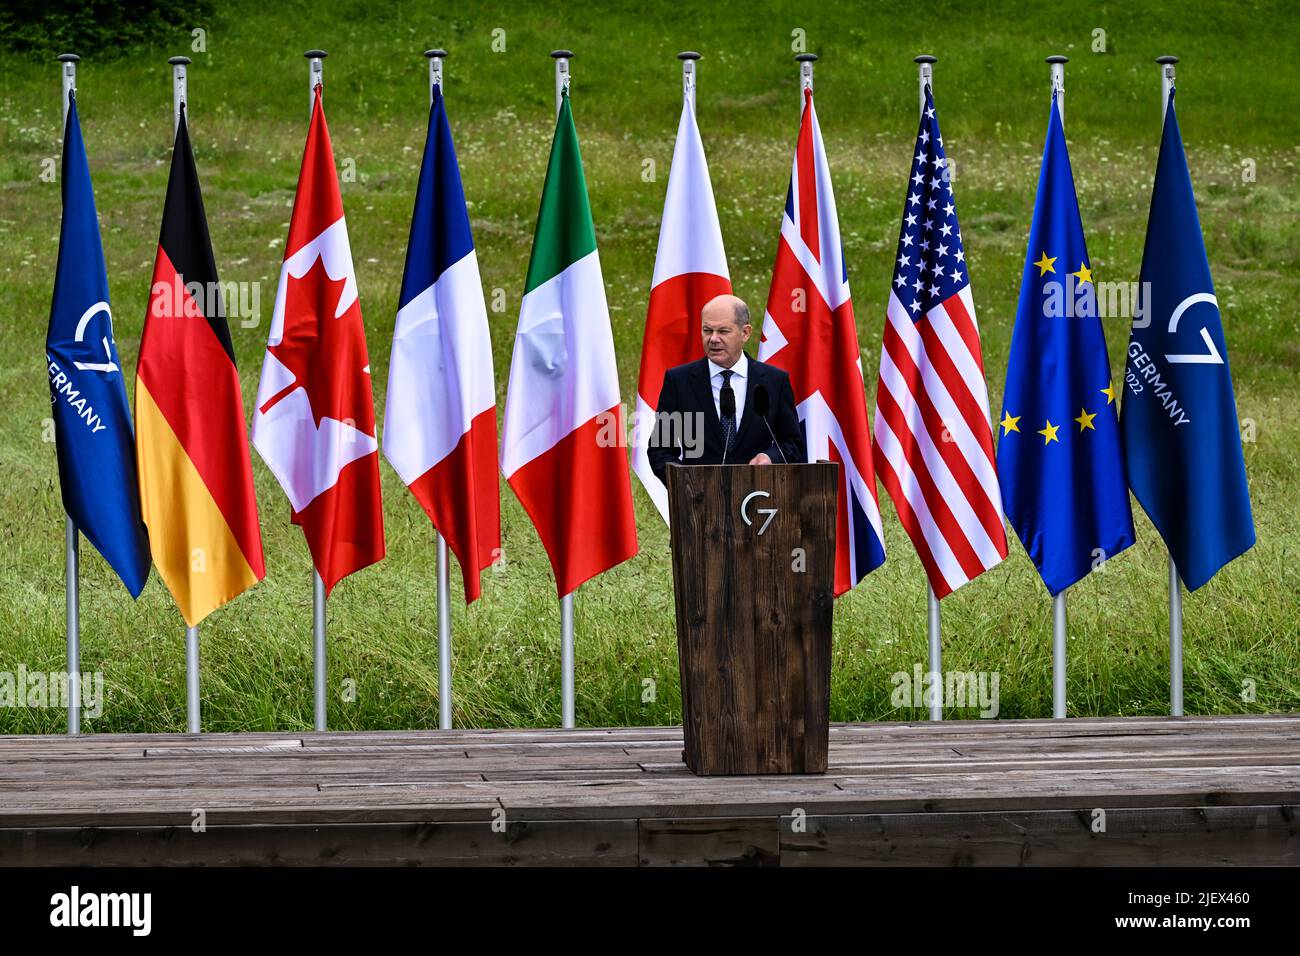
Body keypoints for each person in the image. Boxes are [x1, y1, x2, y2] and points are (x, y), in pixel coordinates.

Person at [648, 293, 804, 489]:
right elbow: (660, 449)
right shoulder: (679, 381)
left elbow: (792, 443)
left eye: (723, 331)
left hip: (759, 499)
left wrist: (770, 457)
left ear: (745, 333)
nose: (713, 339)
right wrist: (684, 483)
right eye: (707, 330)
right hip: (698, 504)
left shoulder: (774, 381)